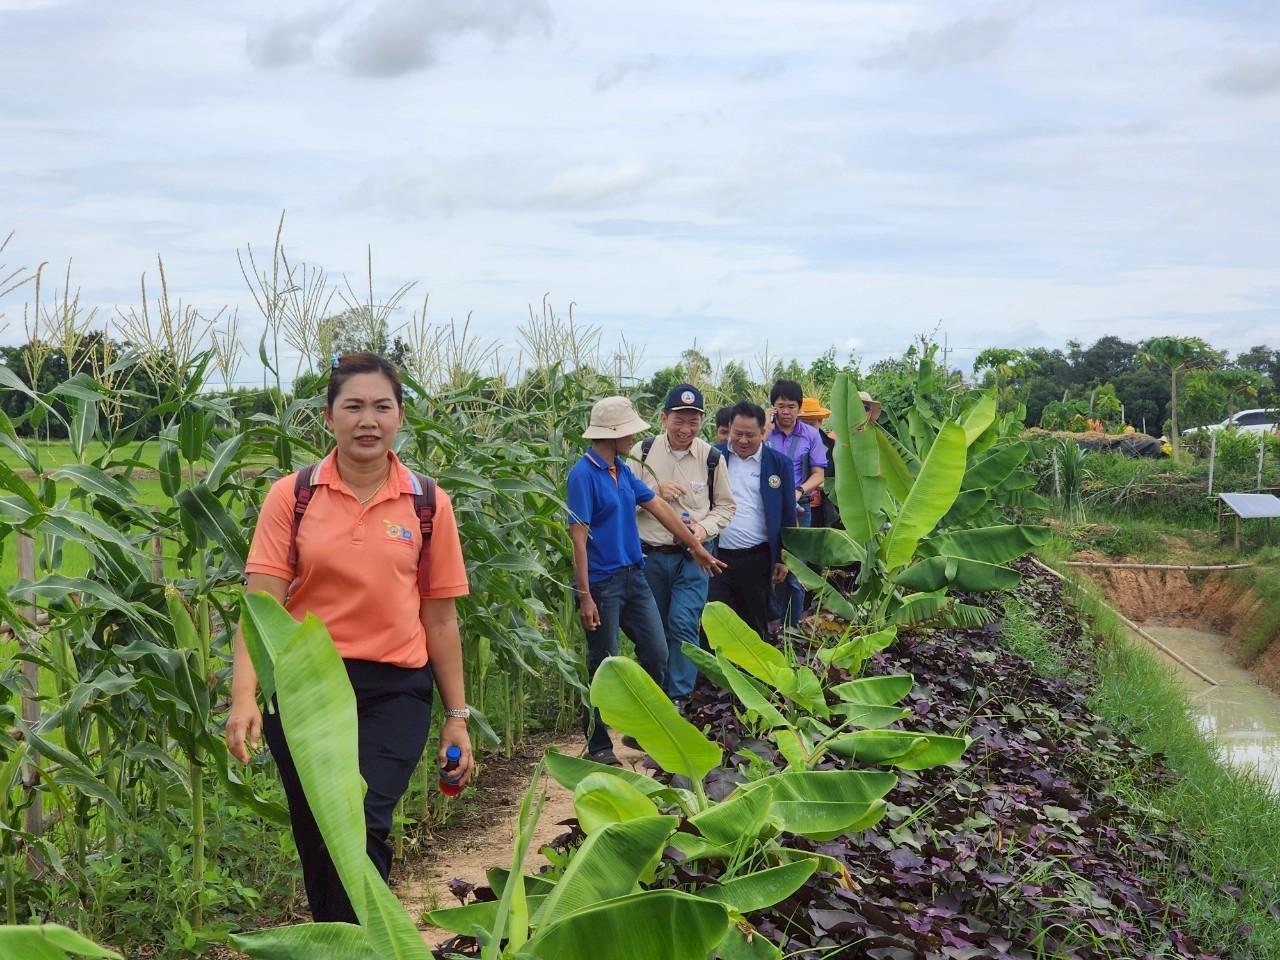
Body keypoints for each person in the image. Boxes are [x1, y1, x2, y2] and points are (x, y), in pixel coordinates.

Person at [226, 352, 474, 924]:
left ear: (400, 417)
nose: (369, 419)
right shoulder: (293, 496)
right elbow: (261, 608)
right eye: (354, 406)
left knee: (363, 820)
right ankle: (337, 937)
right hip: (307, 689)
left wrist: (456, 714)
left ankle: (363, 941)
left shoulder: (427, 502)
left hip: (396, 688)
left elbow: (440, 620)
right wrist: (244, 698)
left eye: (381, 407)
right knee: (316, 830)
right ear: (328, 417)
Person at [567, 396, 725, 765]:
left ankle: (642, 729)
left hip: (634, 577)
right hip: (603, 584)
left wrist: (695, 547)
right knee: (603, 661)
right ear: (615, 434)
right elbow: (577, 539)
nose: (636, 436)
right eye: (630, 431)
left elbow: (659, 508)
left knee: (657, 653)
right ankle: (599, 744)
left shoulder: (621, 469)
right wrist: (585, 595)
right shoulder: (583, 475)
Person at [633, 384, 736, 708]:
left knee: (682, 623)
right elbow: (619, 502)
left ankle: (678, 699)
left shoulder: (711, 458)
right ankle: (654, 701)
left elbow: (726, 507)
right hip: (650, 556)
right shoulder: (643, 452)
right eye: (679, 420)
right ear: (664, 418)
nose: (686, 429)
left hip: (693, 559)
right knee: (653, 632)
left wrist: (702, 529)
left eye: (693, 421)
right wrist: (653, 494)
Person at [709, 401, 797, 638]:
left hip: (756, 558)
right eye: (738, 434)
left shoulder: (779, 464)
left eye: (750, 435)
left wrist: (784, 558)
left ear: (763, 432)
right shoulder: (713, 458)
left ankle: (753, 674)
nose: (743, 440)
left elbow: (788, 515)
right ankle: (713, 674)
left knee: (754, 624)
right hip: (716, 558)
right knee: (715, 622)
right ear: (729, 428)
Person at [766, 379, 828, 624]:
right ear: (773, 407)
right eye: (781, 406)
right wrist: (764, 428)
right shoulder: (764, 433)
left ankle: (792, 631)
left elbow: (818, 475)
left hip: (798, 508)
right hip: (766, 508)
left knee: (796, 572)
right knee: (768, 568)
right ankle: (770, 623)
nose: (786, 412)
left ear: (799, 408)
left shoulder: (811, 435)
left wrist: (798, 490)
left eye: (791, 406)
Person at [799, 396, 835, 527]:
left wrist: (823, 484)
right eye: (803, 423)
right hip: (798, 506)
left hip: (823, 508)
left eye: (811, 424)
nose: (807, 428)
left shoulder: (832, 447)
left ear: (820, 422)